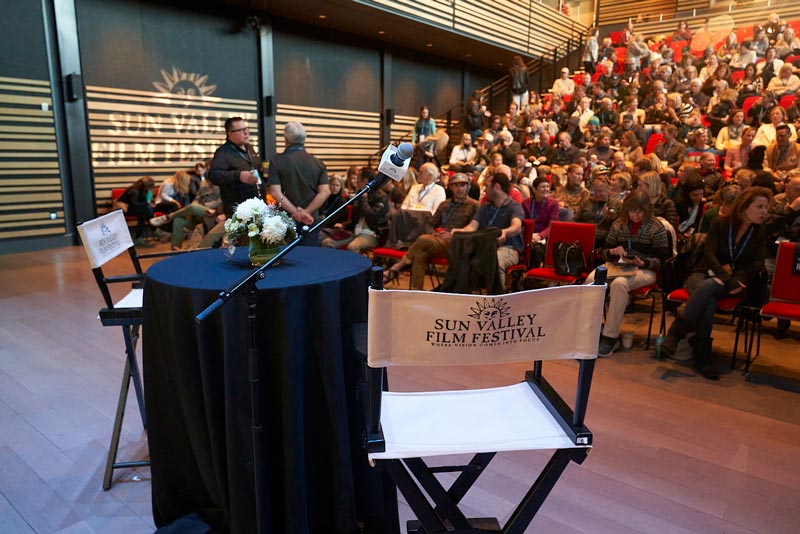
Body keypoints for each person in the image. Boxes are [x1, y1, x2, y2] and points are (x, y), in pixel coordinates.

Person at [661, 187, 772, 379]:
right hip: (703, 273)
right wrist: (724, 276)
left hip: (734, 281)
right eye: (760, 206)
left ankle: (676, 333)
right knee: (708, 297)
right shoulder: (720, 224)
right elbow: (709, 253)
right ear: (744, 206)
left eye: (766, 207)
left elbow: (758, 262)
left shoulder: (759, 231)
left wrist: (736, 278)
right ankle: (702, 356)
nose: (764, 212)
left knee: (710, 288)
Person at [585, 190, 671, 357]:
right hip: (618, 265)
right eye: (632, 211)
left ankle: (610, 337)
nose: (636, 215)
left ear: (647, 210)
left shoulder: (656, 227)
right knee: (591, 280)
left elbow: (662, 260)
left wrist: (643, 262)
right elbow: (603, 251)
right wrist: (612, 251)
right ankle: (590, 329)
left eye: (640, 211)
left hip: (644, 269)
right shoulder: (619, 224)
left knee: (620, 284)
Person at [382, 173, 479, 288]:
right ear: (451, 187)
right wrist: (434, 233)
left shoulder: (474, 205)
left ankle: (397, 267)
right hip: (437, 240)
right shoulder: (444, 204)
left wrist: (453, 233)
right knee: (419, 254)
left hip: (457, 242)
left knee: (423, 239)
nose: (459, 189)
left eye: (462, 185)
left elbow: (474, 229)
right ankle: (415, 293)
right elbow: (429, 224)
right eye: (456, 185)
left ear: (467, 187)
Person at [452, 173, 525, 286]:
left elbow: (516, 227)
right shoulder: (485, 207)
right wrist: (458, 231)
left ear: (496, 187)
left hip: (509, 248)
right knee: (463, 254)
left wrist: (504, 232)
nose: (485, 190)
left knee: (496, 261)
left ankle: (497, 300)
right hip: (486, 246)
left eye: (486, 186)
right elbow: (472, 227)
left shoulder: (514, 207)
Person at [267, 121, 330, 244]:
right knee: (310, 257)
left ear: (286, 140)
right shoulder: (318, 163)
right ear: (304, 139)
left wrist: (295, 213)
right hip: (311, 219)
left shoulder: (276, 161)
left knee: (286, 259)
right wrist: (306, 212)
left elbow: (275, 192)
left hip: (285, 220)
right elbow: (325, 191)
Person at [320, 167, 388, 253]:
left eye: (358, 179)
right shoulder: (360, 194)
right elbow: (353, 220)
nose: (356, 182)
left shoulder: (381, 197)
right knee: (326, 243)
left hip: (372, 234)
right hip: (355, 231)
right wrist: (343, 226)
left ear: (365, 180)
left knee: (352, 247)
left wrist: (364, 201)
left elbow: (372, 217)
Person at [208, 116, 262, 219]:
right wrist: (238, 176)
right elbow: (213, 175)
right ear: (230, 133)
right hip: (238, 213)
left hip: (257, 207)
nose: (246, 133)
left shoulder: (249, 148)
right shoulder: (223, 152)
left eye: (246, 129)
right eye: (241, 130)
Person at [115, 176, 155, 242]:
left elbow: (144, 202)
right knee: (145, 210)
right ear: (146, 187)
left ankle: (139, 238)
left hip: (131, 208)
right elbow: (134, 204)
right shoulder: (134, 191)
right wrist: (147, 204)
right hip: (123, 208)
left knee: (143, 215)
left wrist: (149, 202)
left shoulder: (142, 190)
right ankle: (154, 228)